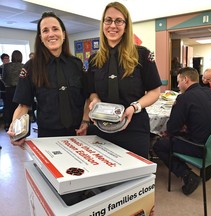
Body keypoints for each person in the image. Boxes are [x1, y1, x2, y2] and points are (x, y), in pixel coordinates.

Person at [77, 2, 162, 159]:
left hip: (133, 127)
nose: (113, 25)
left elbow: (155, 91)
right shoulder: (95, 59)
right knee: (103, 176)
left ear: (126, 25)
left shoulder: (142, 54)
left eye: (119, 21)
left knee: (135, 178)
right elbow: (92, 91)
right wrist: (95, 99)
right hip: (101, 128)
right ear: (103, 24)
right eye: (108, 20)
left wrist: (134, 107)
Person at [7, 11, 87, 146]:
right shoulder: (31, 66)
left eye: (55, 29)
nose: (51, 34)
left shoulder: (76, 64)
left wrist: (85, 121)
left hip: (79, 133)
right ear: (41, 37)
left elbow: (87, 96)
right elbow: (23, 105)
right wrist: (15, 129)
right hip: (48, 137)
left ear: (63, 34)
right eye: (45, 30)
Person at [153, 67, 211, 195]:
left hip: (202, 147)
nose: (177, 85)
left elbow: (172, 129)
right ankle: (208, 166)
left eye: (178, 81)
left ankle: (187, 175)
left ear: (185, 80)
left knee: (159, 145)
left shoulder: (184, 98)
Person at [2, 50, 24, 131]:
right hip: (20, 89)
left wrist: (7, 84)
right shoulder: (24, 66)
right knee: (19, 107)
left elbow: (3, 78)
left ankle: (7, 124)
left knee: (8, 106)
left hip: (9, 89)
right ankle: (18, 125)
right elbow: (25, 79)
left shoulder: (6, 66)